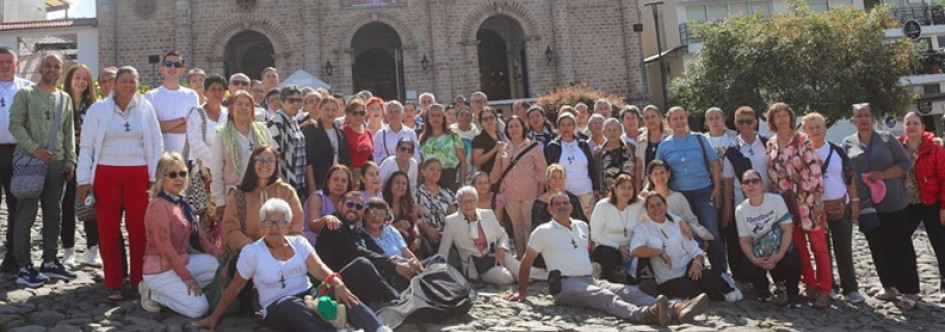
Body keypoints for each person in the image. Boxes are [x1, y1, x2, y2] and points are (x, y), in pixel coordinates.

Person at [506, 192, 709, 327]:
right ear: (550, 210)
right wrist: (522, 292)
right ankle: (646, 314)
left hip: (588, 278)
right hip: (565, 285)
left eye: (565, 203)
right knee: (604, 297)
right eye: (557, 204)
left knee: (627, 290)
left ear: (571, 207)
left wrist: (680, 220)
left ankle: (676, 309)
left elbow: (654, 209)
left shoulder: (581, 226)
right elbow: (527, 260)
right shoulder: (542, 231)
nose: (562, 206)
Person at [193, 198, 387, 332]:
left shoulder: (299, 243)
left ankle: (378, 328)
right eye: (269, 222)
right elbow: (235, 286)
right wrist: (215, 316)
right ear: (262, 225)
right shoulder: (252, 252)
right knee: (288, 304)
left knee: (342, 291)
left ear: (287, 225)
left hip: (310, 298)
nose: (274, 228)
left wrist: (337, 283)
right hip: (278, 308)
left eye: (280, 222)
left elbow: (318, 268)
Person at [76, 66, 164, 300]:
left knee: (139, 229)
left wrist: (156, 177)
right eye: (123, 81)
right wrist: (83, 179)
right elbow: (86, 146)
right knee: (108, 229)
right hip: (106, 173)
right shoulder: (98, 109)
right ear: (115, 84)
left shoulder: (146, 109)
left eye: (132, 81)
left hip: (138, 175)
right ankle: (114, 281)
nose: (128, 85)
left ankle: (138, 279)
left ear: (138, 83)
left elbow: (156, 144)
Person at [9, 54, 76, 287]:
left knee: (53, 214)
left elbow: (69, 131)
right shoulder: (25, 94)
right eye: (47, 65)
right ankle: (24, 265)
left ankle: (50, 260)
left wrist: (70, 160)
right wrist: (35, 149)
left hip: (56, 163)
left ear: (61, 70)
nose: (51, 69)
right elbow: (15, 125)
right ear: (40, 68)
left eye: (56, 66)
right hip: (30, 161)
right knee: (25, 214)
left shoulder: (65, 98)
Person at [846, 104, 920, 308]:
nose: (863, 119)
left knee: (901, 246)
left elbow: (905, 163)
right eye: (859, 116)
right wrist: (854, 201)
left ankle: (910, 290)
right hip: (867, 205)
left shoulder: (888, 139)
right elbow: (848, 174)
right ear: (853, 119)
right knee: (878, 247)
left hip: (894, 202)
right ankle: (889, 287)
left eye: (867, 115)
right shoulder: (848, 143)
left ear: (873, 118)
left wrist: (884, 174)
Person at [765, 102, 830, 308]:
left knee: (819, 246)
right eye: (778, 116)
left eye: (785, 115)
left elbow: (815, 171)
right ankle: (809, 283)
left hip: (808, 199)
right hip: (786, 202)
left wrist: (818, 200)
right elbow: (773, 176)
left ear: (791, 118)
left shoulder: (803, 140)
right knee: (799, 247)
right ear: (772, 121)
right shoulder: (771, 144)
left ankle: (825, 288)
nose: (782, 119)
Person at [139, 153, 220, 317]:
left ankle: (179, 291)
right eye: (172, 174)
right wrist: (187, 278)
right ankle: (153, 294)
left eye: (182, 173)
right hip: (160, 270)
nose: (179, 178)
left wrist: (218, 254)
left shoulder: (182, 202)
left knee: (220, 267)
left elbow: (198, 236)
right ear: (162, 178)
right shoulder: (158, 206)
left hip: (183, 261)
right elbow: (165, 248)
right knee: (199, 309)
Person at [632, 192, 742, 302]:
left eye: (659, 204)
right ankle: (718, 297)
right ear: (647, 210)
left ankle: (728, 289)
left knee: (707, 277)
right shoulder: (643, 229)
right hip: (669, 278)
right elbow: (635, 250)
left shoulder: (677, 223)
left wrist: (697, 263)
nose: (656, 208)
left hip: (687, 268)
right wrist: (659, 253)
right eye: (652, 206)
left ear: (665, 206)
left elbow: (696, 251)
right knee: (693, 292)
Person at [802, 112, 864, 303]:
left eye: (818, 127)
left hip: (840, 206)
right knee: (822, 250)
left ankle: (850, 287)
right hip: (816, 209)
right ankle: (829, 286)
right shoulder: (803, 154)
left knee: (843, 247)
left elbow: (849, 177)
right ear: (805, 131)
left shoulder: (837, 151)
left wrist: (854, 202)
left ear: (825, 129)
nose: (815, 131)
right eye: (810, 128)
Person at [655, 106, 724, 272]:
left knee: (711, 231)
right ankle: (691, 271)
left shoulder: (699, 139)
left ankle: (721, 272)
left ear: (686, 119)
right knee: (685, 234)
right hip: (679, 196)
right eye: (674, 119)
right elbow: (657, 170)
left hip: (704, 191)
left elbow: (714, 164)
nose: (679, 121)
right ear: (669, 123)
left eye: (681, 117)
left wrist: (717, 188)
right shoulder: (664, 145)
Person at [439, 186, 545, 285]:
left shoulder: (487, 214)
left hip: (497, 255)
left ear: (476, 202)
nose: (468, 205)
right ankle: (526, 277)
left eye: (471, 201)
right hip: (477, 266)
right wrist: (437, 271)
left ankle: (549, 275)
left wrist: (502, 249)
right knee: (505, 277)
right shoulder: (452, 222)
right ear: (458, 204)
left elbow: (502, 234)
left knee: (517, 266)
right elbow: (443, 249)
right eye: (464, 202)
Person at [315, 191, 410, 298]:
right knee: (363, 264)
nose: (354, 209)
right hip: (334, 283)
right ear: (340, 205)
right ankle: (397, 300)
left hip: (356, 283)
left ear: (362, 212)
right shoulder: (334, 225)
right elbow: (355, 251)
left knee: (393, 262)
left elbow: (376, 249)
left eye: (359, 206)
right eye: (350, 204)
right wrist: (392, 265)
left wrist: (396, 261)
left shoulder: (356, 228)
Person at [735, 170, 803, 307]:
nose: (751, 185)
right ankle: (763, 291)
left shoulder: (776, 200)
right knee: (746, 266)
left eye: (755, 181)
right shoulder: (740, 210)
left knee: (793, 261)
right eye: (746, 182)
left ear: (762, 185)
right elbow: (745, 240)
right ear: (742, 188)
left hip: (779, 247)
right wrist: (754, 259)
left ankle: (792, 295)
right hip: (759, 251)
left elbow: (787, 229)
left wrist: (779, 255)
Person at [222, 146, 304, 252]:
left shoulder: (287, 192)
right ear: (252, 163)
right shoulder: (237, 194)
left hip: (282, 254)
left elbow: (296, 227)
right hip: (248, 253)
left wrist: (282, 248)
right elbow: (230, 229)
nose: (265, 164)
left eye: (270, 160)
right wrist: (251, 247)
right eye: (260, 160)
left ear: (276, 164)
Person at [899, 111, 945, 299]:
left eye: (915, 123)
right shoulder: (897, 147)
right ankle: (905, 285)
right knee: (900, 242)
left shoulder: (935, 148)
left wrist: (944, 207)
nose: (911, 127)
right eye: (908, 123)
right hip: (908, 204)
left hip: (931, 202)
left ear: (923, 127)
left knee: (941, 244)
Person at [721, 106, 767, 284]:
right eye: (741, 121)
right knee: (750, 242)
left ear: (756, 121)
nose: (745, 125)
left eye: (749, 121)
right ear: (735, 123)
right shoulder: (731, 151)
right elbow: (727, 181)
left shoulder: (766, 143)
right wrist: (727, 208)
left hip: (769, 202)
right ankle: (756, 281)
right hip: (744, 205)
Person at [60, 63, 100, 267]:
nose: (81, 81)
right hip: (65, 160)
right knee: (66, 205)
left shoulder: (94, 106)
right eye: (77, 76)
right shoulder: (59, 102)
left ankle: (92, 248)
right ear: (69, 79)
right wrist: (69, 139)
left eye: (85, 78)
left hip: (88, 161)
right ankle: (68, 249)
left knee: (89, 203)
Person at [210, 91, 273, 216]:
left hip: (261, 193)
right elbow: (216, 169)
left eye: (247, 105)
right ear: (231, 108)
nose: (244, 108)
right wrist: (220, 201)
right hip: (235, 194)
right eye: (239, 104)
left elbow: (273, 161)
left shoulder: (262, 130)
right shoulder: (222, 134)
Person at [491, 116, 546, 256]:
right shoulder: (503, 148)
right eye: (510, 127)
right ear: (507, 130)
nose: (514, 129)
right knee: (517, 228)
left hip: (530, 194)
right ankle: (521, 259)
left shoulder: (533, 147)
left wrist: (540, 195)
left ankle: (532, 260)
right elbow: (496, 172)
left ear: (523, 128)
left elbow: (542, 172)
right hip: (510, 195)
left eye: (517, 126)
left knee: (529, 227)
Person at [0, 47, 32, 273]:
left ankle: (12, 254)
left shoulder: (27, 89)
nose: (4, 65)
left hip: (17, 153)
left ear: (17, 64)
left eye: (8, 62)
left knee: (15, 205)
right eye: (0, 62)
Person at [590, 174, 645, 283]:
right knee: (608, 254)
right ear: (615, 189)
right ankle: (608, 282)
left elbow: (654, 201)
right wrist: (618, 247)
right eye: (623, 187)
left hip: (631, 248)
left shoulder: (638, 203)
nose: (626, 191)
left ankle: (634, 281)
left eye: (630, 188)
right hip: (608, 247)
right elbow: (595, 235)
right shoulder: (603, 206)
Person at [642, 160, 714, 242]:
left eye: (662, 173)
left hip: (681, 238)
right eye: (656, 174)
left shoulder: (678, 197)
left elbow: (691, 219)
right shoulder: (645, 199)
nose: (659, 177)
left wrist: (696, 233)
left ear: (668, 174)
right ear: (651, 177)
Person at [146, 51, 200, 155]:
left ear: (182, 70)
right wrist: (180, 121)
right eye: (168, 64)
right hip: (158, 157)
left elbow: (193, 127)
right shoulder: (150, 96)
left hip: (184, 157)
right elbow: (150, 128)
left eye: (177, 65)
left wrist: (163, 127)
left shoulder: (191, 95)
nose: (172, 67)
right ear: (161, 68)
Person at [545, 113, 598, 217]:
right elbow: (549, 171)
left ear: (574, 126)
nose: (566, 128)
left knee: (587, 223)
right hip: (564, 194)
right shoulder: (553, 147)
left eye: (569, 124)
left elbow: (591, 167)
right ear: (558, 127)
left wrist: (596, 188)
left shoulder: (583, 144)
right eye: (563, 125)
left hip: (585, 191)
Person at [267, 85, 307, 196]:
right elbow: (274, 155)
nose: (295, 103)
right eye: (291, 100)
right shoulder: (276, 121)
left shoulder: (293, 120)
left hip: (299, 181)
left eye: (299, 100)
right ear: (282, 101)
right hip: (285, 183)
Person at [305, 98, 351, 192]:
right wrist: (311, 186)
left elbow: (346, 159)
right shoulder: (311, 130)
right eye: (326, 109)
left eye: (333, 110)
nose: (330, 113)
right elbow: (309, 161)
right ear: (319, 110)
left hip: (338, 182)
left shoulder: (341, 133)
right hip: (319, 181)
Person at [419, 103, 466, 191]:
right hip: (429, 182)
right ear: (428, 118)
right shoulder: (423, 139)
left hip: (449, 180)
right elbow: (421, 164)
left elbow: (462, 162)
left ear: (443, 118)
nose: (436, 118)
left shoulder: (453, 136)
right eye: (432, 115)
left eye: (439, 115)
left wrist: (461, 183)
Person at [186, 74, 228, 168]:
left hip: (225, 167)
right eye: (213, 89)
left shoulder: (228, 114)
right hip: (202, 168)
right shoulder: (196, 113)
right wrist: (216, 160)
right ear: (205, 92)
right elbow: (195, 142)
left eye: (220, 90)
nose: (217, 93)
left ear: (225, 93)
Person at [415, 158, 456, 252]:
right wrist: (427, 229)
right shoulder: (417, 192)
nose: (435, 172)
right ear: (423, 171)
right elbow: (414, 217)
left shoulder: (447, 193)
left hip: (449, 236)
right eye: (431, 169)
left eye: (438, 170)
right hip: (429, 238)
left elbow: (455, 216)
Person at [304, 165, 351, 246]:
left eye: (343, 181)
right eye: (335, 179)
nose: (339, 183)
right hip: (312, 242)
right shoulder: (317, 198)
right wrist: (326, 219)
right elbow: (312, 225)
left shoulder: (348, 201)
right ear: (328, 182)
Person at [532, 164, 588, 232]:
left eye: (560, 178)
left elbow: (581, 220)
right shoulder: (539, 204)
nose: (557, 181)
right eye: (553, 178)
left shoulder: (572, 199)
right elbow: (536, 228)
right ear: (548, 180)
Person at [383, 171, 423, 255]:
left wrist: (418, 238)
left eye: (404, 183)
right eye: (397, 182)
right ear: (390, 184)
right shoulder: (383, 203)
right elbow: (379, 228)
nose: (400, 186)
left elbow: (413, 223)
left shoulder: (406, 204)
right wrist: (395, 226)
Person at [594, 118, 635, 199]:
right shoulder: (599, 153)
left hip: (629, 194)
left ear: (620, 131)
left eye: (615, 130)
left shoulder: (630, 148)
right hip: (608, 196)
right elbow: (597, 177)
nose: (612, 133)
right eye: (609, 130)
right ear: (604, 133)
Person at [635, 105, 671, 192]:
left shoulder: (670, 136)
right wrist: (638, 189)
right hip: (648, 186)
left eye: (653, 116)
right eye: (646, 117)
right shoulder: (640, 139)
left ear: (660, 117)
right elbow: (639, 167)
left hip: (669, 183)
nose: (650, 120)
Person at [342, 99, 375, 185]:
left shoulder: (368, 132)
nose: (358, 116)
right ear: (347, 115)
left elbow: (370, 157)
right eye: (354, 113)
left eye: (361, 113)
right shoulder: (342, 132)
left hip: (367, 175)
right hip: (349, 175)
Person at [472, 107, 505, 174]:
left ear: (496, 120)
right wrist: (495, 149)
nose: (489, 121)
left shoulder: (501, 135)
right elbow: (476, 161)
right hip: (488, 176)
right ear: (481, 123)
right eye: (485, 119)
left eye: (491, 118)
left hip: (503, 174)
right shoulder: (479, 139)